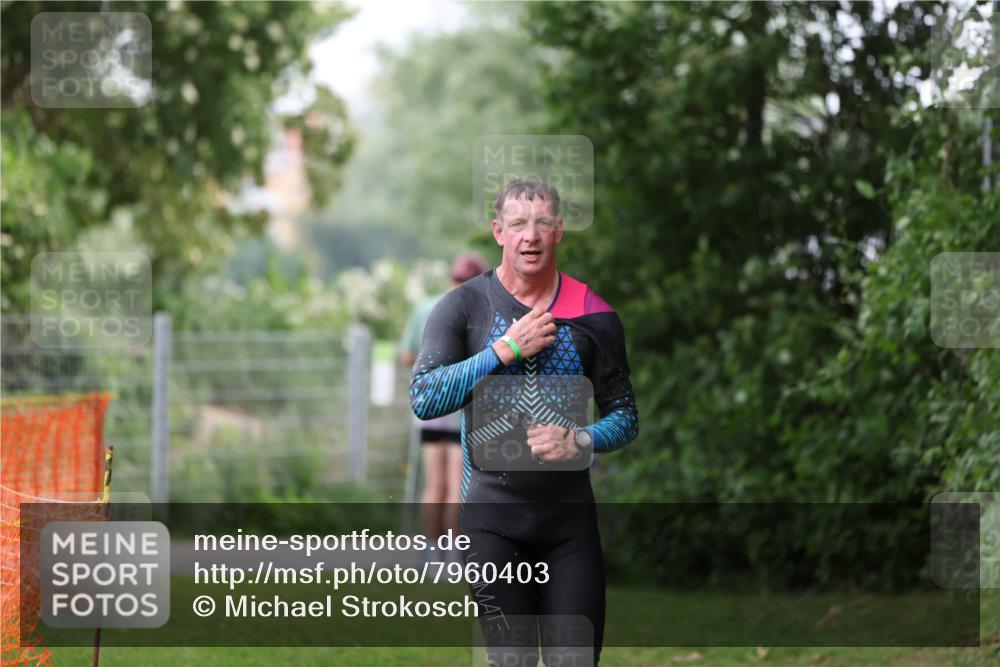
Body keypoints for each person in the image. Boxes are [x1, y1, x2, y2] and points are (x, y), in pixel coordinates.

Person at [409, 179, 639, 666]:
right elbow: (425, 398)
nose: (529, 236)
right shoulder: (464, 307)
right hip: (491, 520)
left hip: (569, 524)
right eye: (517, 224)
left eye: (541, 224)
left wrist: (580, 439)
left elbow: (626, 418)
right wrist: (503, 349)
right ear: (499, 232)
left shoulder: (594, 316)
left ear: (558, 231)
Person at [400, 253, 487, 553]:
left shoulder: (426, 308)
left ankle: (432, 552)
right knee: (455, 484)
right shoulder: (480, 312)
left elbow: (407, 356)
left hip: (430, 407)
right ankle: (453, 553)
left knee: (433, 482)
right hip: (461, 408)